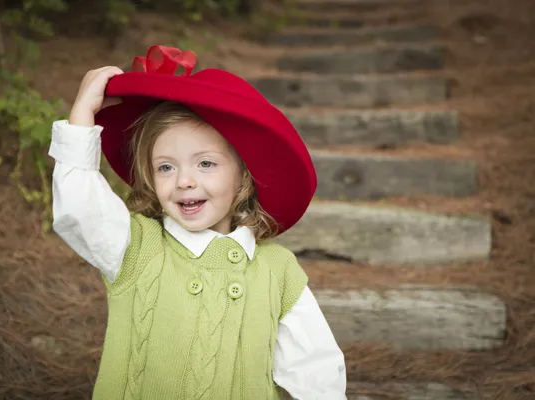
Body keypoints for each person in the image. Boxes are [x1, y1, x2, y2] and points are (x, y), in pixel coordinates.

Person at [48, 45, 346, 400]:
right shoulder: (135, 248)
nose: (184, 180)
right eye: (166, 167)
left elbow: (315, 368)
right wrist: (82, 116)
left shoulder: (278, 271)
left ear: (244, 177)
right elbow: (80, 208)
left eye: (205, 163)